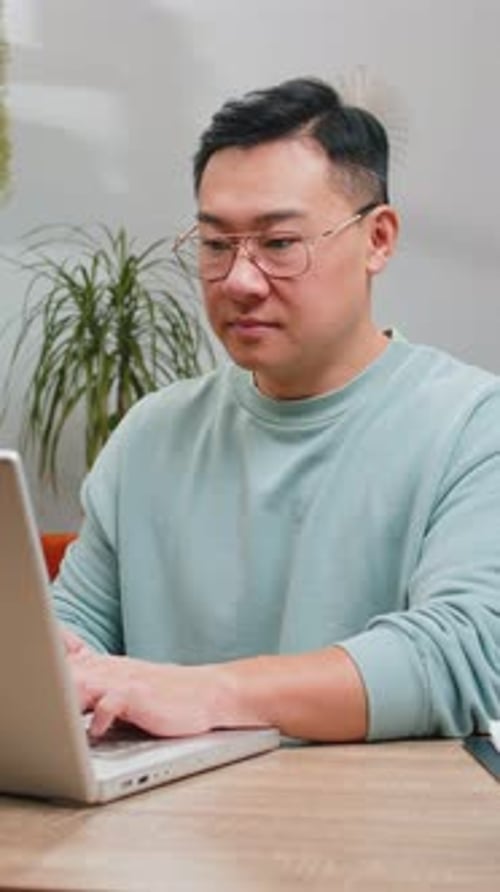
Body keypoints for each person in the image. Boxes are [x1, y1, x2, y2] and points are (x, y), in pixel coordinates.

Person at [54, 76, 500, 743]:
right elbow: (74, 640)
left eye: (280, 244)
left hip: (368, 833)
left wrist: (209, 692)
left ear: (378, 238)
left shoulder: (471, 425)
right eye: (214, 244)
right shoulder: (151, 434)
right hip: (155, 834)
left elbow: (468, 654)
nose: (239, 279)